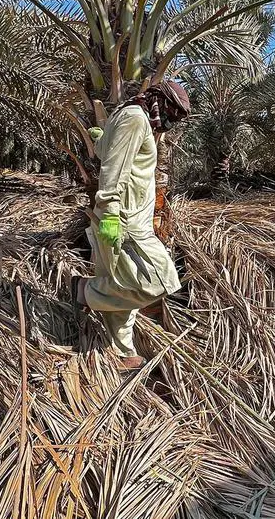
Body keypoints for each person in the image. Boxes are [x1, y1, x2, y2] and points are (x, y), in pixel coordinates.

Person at [73, 81, 190, 369]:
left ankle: (122, 352)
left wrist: (102, 137)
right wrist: (111, 213)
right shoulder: (136, 120)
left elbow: (107, 154)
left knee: (121, 281)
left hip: (126, 217)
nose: (171, 122)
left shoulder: (129, 115)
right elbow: (113, 169)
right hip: (125, 220)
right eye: (172, 113)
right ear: (160, 102)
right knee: (158, 279)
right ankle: (82, 290)